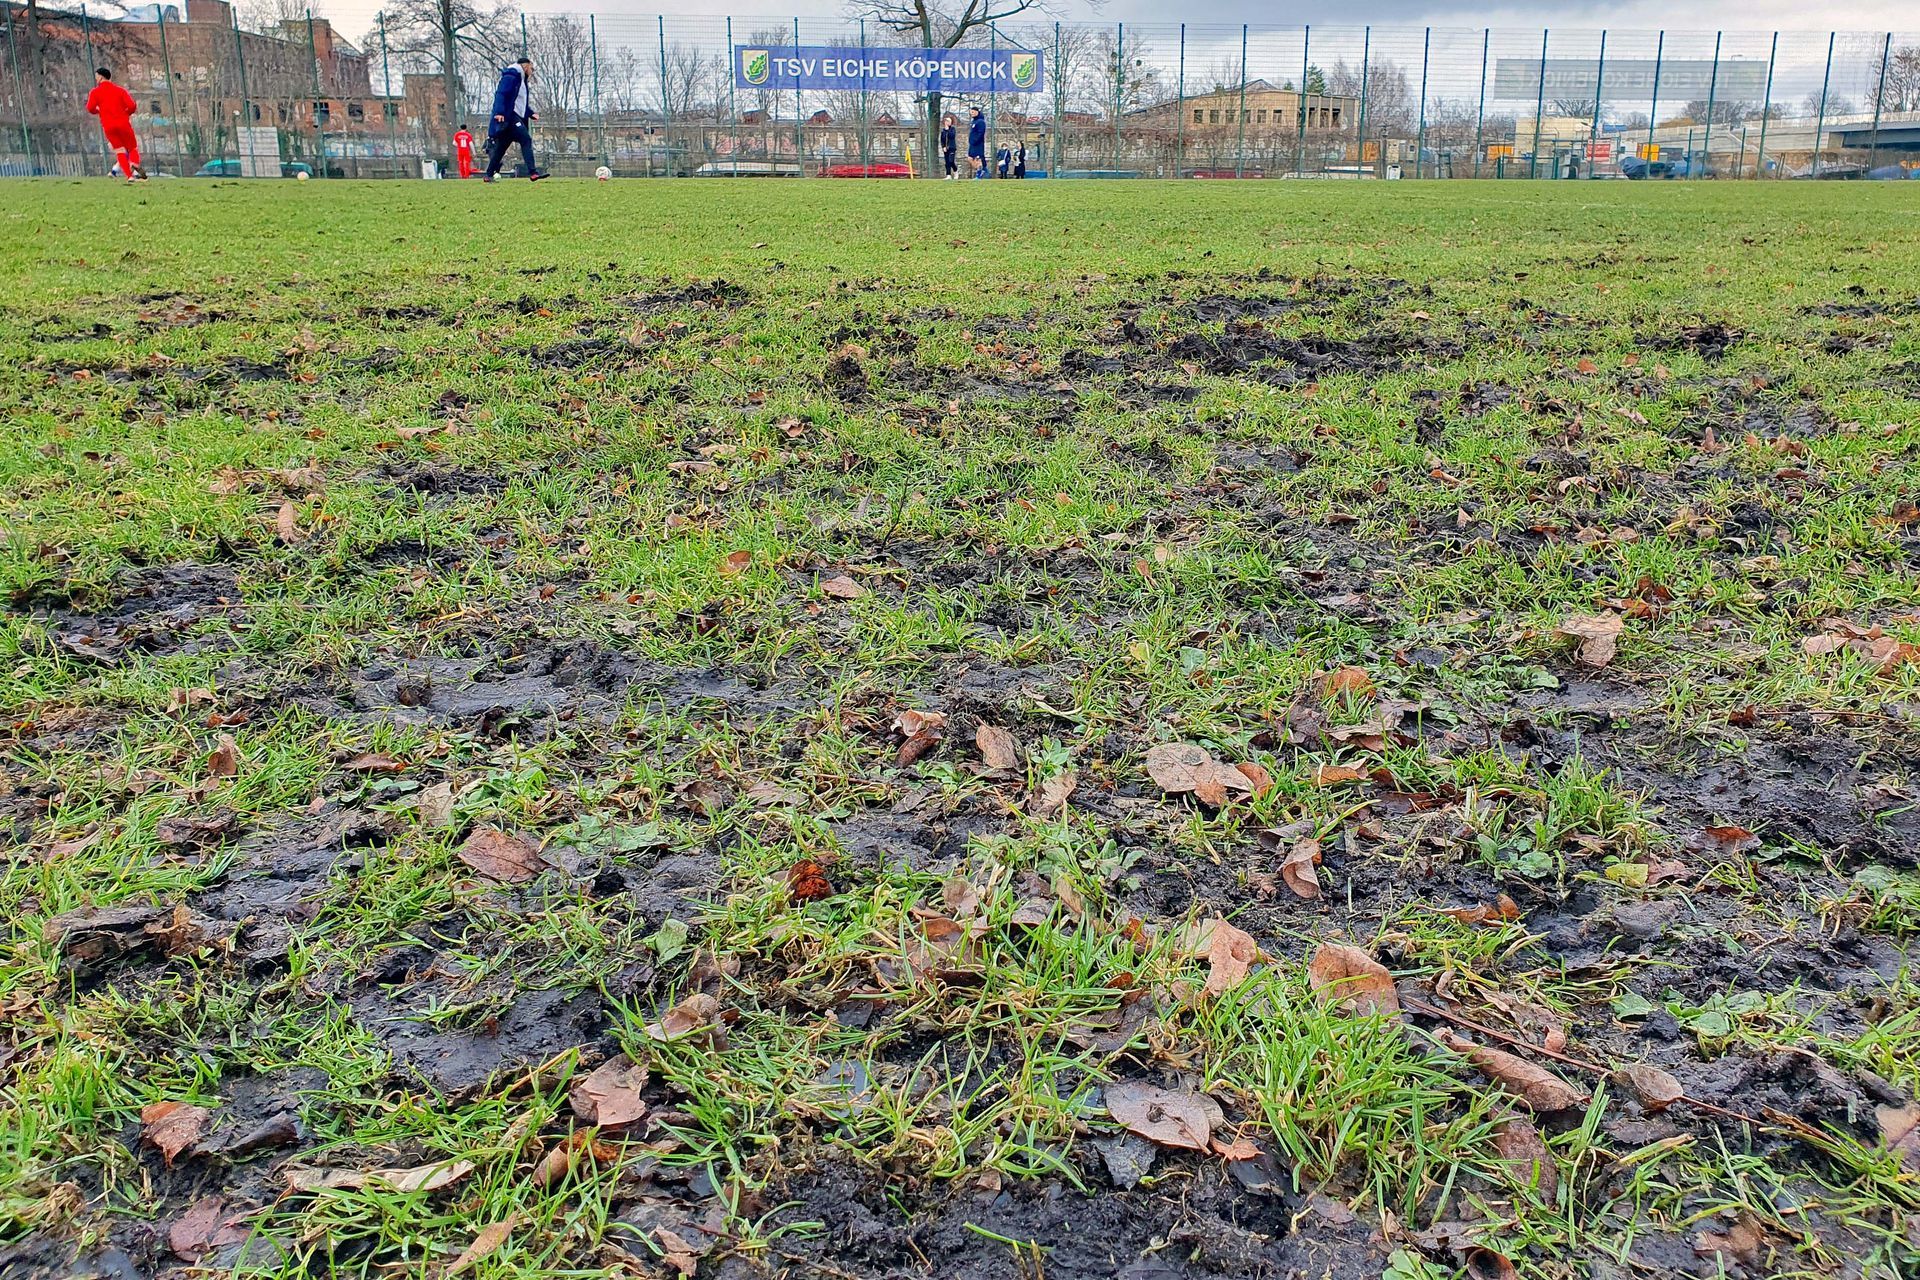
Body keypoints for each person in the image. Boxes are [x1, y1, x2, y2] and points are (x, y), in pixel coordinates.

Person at [483, 58, 546, 183]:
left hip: (512, 116)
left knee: (501, 148)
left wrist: (530, 113)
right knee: (526, 139)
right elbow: (501, 94)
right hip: (510, 115)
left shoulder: (520, 79)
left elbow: (519, 102)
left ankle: (488, 174)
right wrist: (499, 112)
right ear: (526, 66)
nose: (532, 71)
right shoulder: (511, 77)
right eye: (531, 68)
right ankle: (533, 172)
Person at [86, 68, 146, 182]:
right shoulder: (120, 91)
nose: (96, 78)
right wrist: (126, 113)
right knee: (132, 147)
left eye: (96, 76)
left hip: (108, 125)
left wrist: (99, 111)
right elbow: (132, 106)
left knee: (119, 150)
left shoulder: (95, 92)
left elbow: (90, 108)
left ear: (101, 77)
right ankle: (134, 163)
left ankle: (129, 176)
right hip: (123, 123)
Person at [967, 106, 986, 179]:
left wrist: (975, 140)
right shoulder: (973, 122)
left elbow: (981, 133)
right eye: (971, 112)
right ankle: (983, 170)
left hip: (978, 144)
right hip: (972, 144)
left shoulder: (980, 121)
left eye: (973, 112)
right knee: (970, 158)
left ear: (977, 112)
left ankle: (979, 174)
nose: (971, 113)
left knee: (977, 159)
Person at [939, 114, 957, 180]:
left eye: (948, 121)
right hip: (946, 149)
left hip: (952, 147)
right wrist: (943, 146)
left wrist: (947, 130)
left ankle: (955, 171)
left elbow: (952, 136)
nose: (947, 122)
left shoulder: (953, 129)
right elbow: (942, 139)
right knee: (947, 162)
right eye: (946, 121)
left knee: (951, 161)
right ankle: (948, 175)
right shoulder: (943, 131)